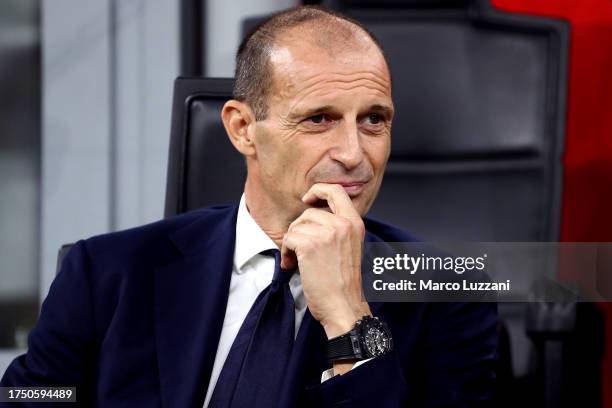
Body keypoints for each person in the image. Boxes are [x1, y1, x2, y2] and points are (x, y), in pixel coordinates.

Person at [1, 6, 497, 407]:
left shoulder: (445, 292)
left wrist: (350, 319)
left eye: (373, 120)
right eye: (319, 119)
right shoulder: (107, 272)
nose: (353, 153)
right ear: (242, 129)